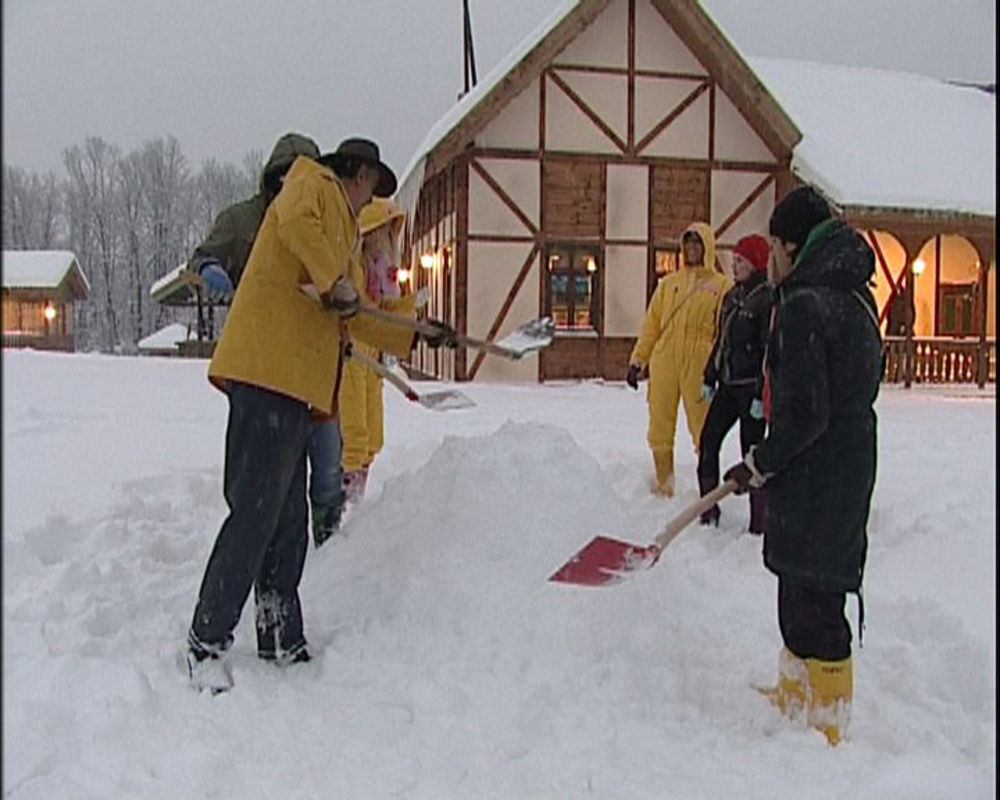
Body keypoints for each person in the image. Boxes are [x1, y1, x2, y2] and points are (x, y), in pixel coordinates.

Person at [185, 138, 458, 693]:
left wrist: (417, 330)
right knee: (255, 513)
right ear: (354, 174)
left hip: (298, 392)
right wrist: (334, 281)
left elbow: (359, 316)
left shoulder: (341, 246)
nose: (367, 203)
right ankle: (206, 640)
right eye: (369, 188)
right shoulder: (311, 184)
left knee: (288, 526)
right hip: (265, 373)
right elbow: (292, 220)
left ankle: (280, 634)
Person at [723, 185, 883, 745]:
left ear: (794, 244)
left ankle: (828, 718)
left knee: (814, 601)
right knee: (807, 589)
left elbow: (803, 411)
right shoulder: (855, 295)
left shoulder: (804, 307)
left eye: (774, 244)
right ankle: (796, 695)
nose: (771, 257)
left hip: (816, 472)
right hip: (846, 466)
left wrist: (760, 463)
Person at [186, 132, 347, 547]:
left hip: (312, 368)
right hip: (263, 368)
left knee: (327, 467)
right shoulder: (242, 221)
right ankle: (258, 566)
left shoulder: (322, 221)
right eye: (283, 178)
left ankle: (329, 549)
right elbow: (204, 256)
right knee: (265, 490)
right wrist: (208, 270)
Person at [626, 223, 729, 496]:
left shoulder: (722, 286)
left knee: (702, 426)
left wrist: (719, 366)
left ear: (707, 247)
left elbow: (725, 331)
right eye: (688, 243)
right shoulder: (668, 284)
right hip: (665, 358)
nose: (693, 249)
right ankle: (664, 483)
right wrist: (638, 360)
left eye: (698, 243)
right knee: (660, 421)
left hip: (699, 359)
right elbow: (652, 326)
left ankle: (707, 489)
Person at [337, 198, 414, 513]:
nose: (385, 243)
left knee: (372, 434)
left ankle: (356, 493)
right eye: (379, 234)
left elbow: (390, 306)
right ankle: (344, 503)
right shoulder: (353, 267)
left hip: (372, 355)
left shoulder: (384, 267)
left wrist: (410, 316)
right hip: (352, 352)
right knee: (355, 432)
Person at [696, 234, 773, 532]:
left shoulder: (767, 297)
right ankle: (707, 509)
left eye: (740, 261)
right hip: (729, 384)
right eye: (733, 261)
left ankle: (759, 521)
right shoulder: (733, 296)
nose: (734, 266)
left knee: (751, 455)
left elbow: (769, 351)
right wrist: (709, 375)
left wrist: (759, 394)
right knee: (708, 441)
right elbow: (722, 341)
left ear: (755, 263)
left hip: (751, 386)